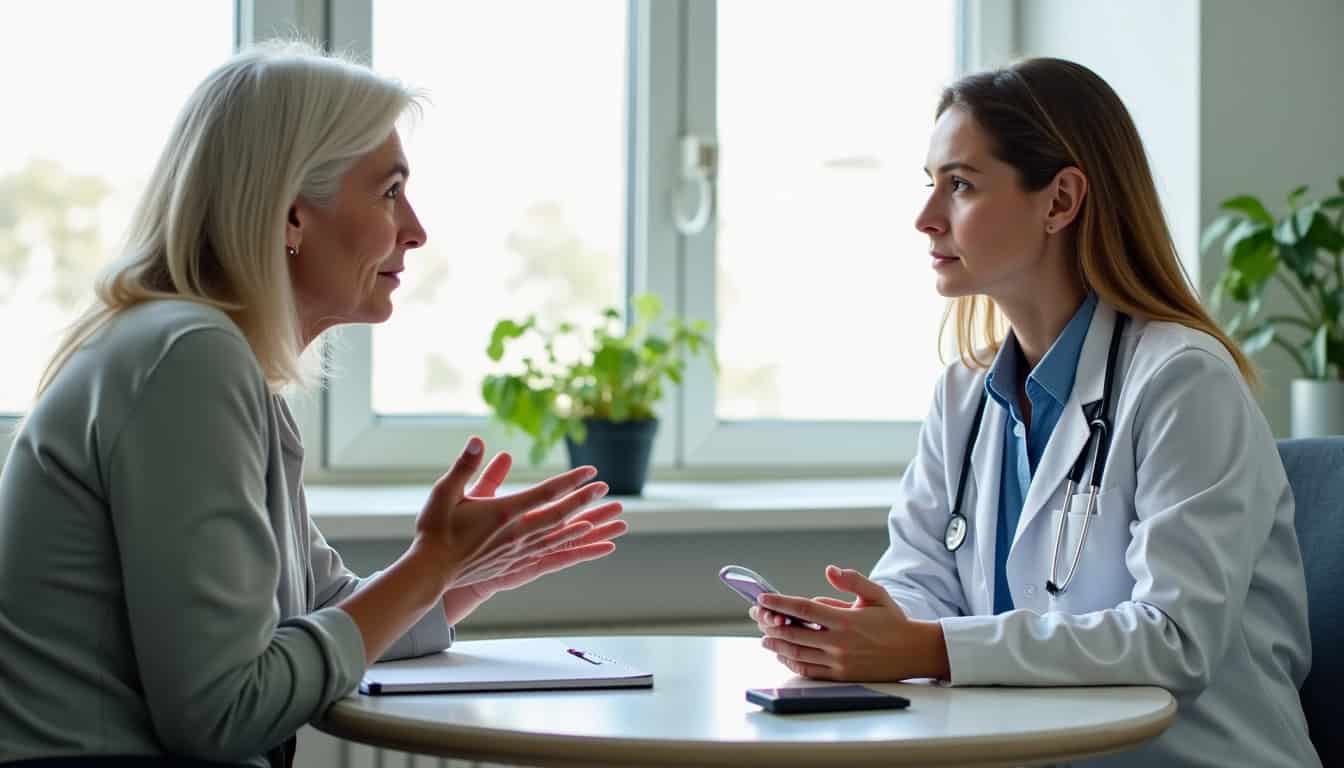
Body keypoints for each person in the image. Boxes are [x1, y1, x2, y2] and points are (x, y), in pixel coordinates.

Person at [0, 41, 626, 767]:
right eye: (390, 192)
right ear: (292, 216)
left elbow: (318, 612)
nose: (415, 229)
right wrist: (429, 567)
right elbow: (224, 712)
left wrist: (458, 577)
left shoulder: (204, 358)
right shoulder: (188, 360)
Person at [749, 58, 1318, 767]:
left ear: (1060, 201)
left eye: (959, 186)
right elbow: (923, 577)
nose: (925, 219)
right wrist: (867, 628)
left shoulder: (1183, 380)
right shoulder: (964, 394)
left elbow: (1174, 639)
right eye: (932, 185)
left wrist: (928, 649)